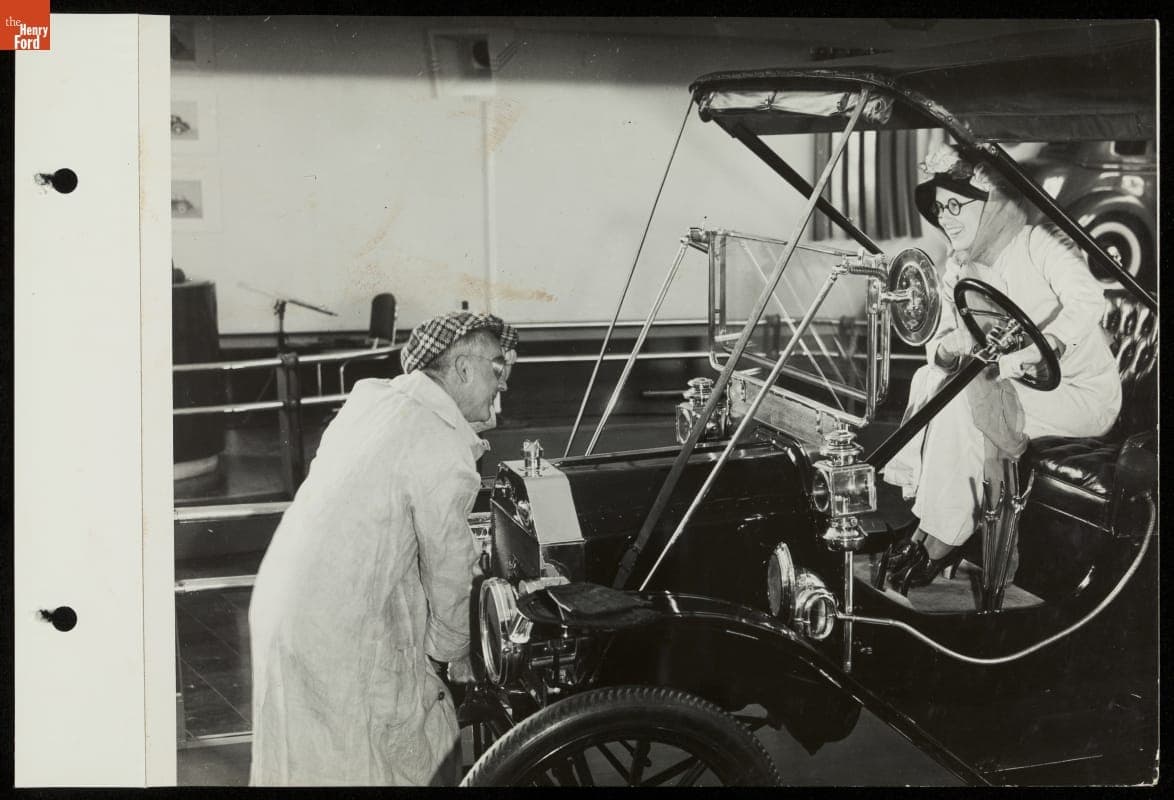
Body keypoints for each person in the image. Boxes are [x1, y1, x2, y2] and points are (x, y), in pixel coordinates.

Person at [248, 310, 518, 785]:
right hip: (338, 631)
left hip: (283, 606)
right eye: (498, 368)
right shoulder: (439, 441)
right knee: (390, 752)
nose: (504, 385)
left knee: (302, 763)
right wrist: (457, 656)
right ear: (462, 368)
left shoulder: (374, 401)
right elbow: (451, 571)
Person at [881, 143, 1121, 592]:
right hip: (1013, 383)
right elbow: (944, 341)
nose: (946, 216)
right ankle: (929, 528)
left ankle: (939, 541)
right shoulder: (960, 267)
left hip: (1077, 392)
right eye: (939, 207)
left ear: (992, 204)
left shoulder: (1037, 242)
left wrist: (1044, 342)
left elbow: (1090, 298)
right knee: (930, 378)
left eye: (957, 204)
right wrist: (947, 351)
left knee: (966, 399)